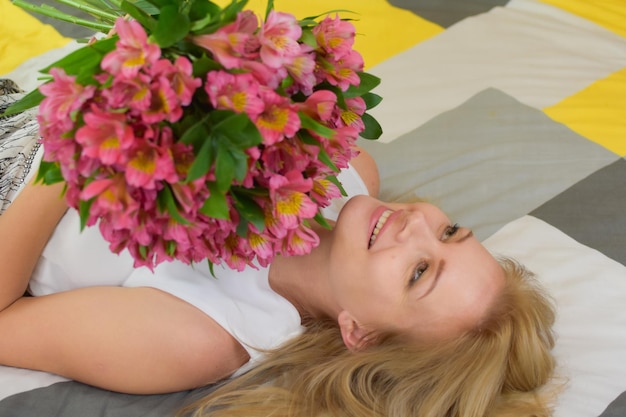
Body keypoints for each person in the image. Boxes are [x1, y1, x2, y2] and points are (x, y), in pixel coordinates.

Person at [0, 81, 557, 416]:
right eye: (450, 231)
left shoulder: (202, 335)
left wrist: (77, 137)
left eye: (417, 274)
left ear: (359, 331)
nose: (414, 226)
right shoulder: (346, 170)